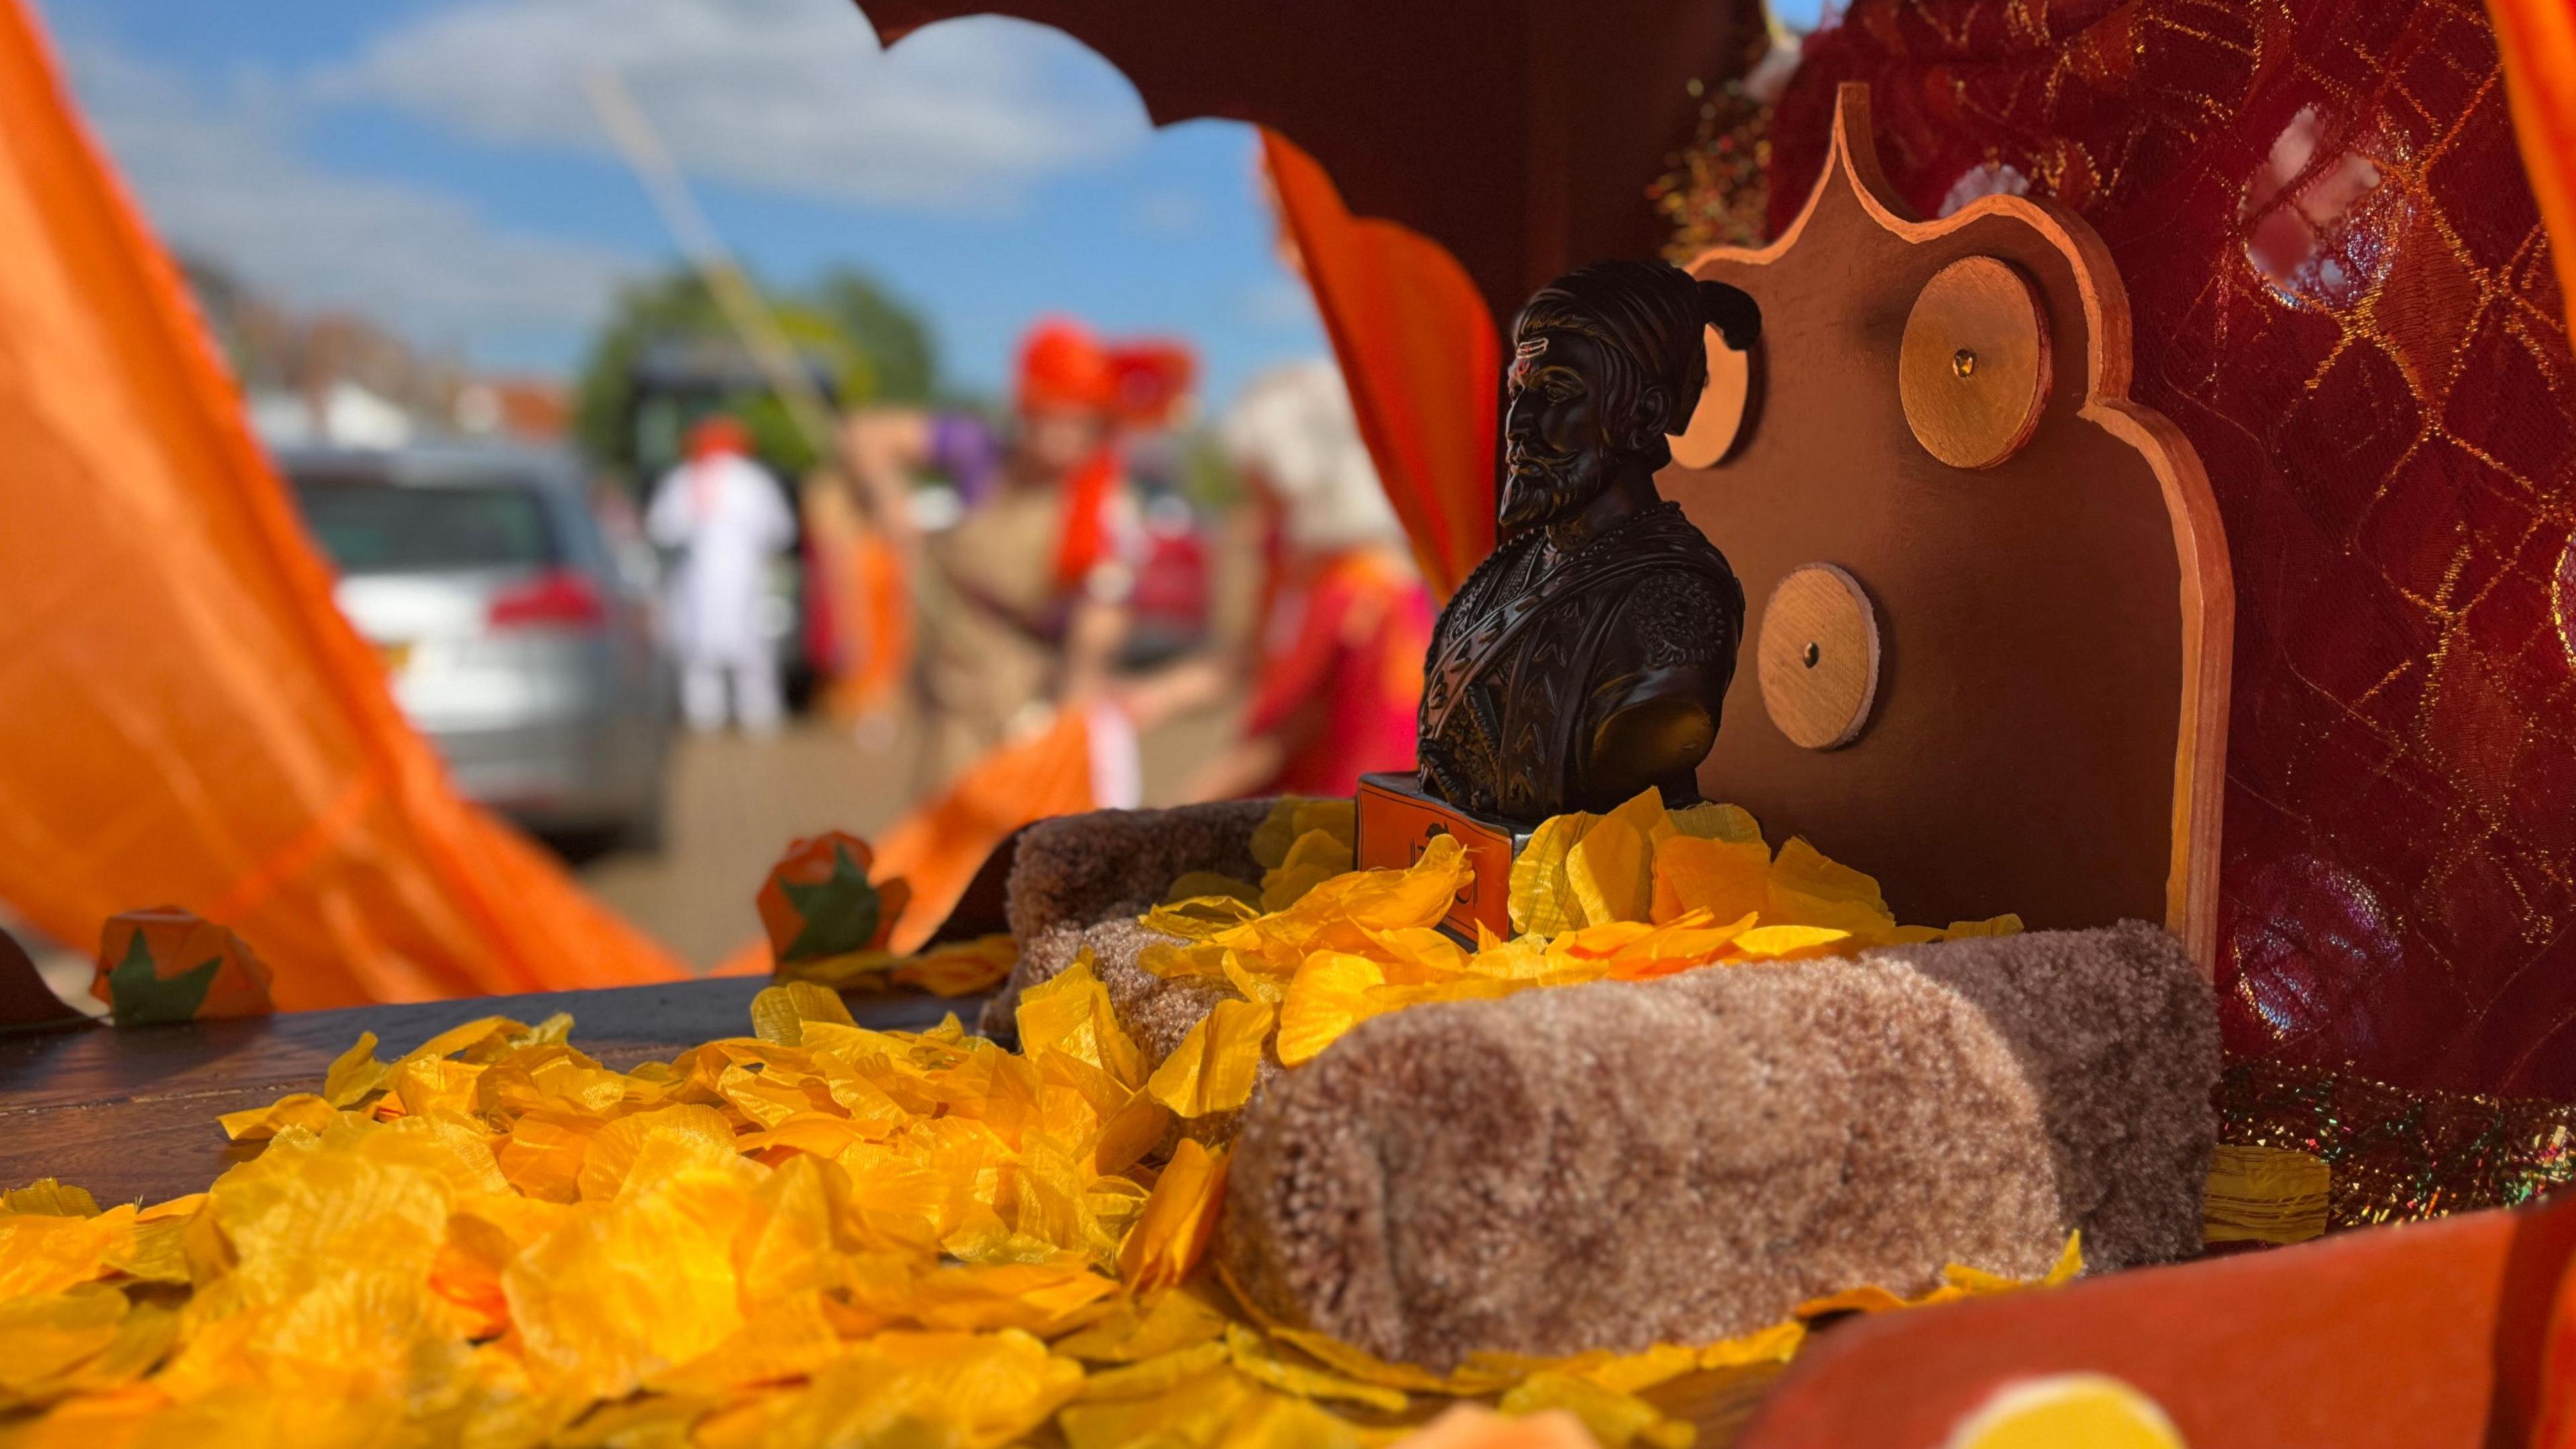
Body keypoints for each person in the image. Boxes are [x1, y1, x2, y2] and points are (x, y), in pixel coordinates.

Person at [845, 319, 1193, 786]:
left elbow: (1099, 626)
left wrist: (1063, 724)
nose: (1064, 436)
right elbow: (865, 434)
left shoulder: (1104, 505)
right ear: (1027, 412)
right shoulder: (980, 454)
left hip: (1036, 689)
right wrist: (887, 497)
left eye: (1080, 424)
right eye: (1053, 418)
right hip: (954, 685)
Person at [1122, 360, 1434, 800]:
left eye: (1263, 483)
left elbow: (1285, 730)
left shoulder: (1361, 589)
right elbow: (1256, 657)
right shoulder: (1297, 560)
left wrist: (1178, 811)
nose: (1252, 501)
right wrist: (1159, 696)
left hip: (1350, 809)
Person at [645, 414, 796, 735]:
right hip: (747, 582)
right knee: (752, 658)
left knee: (702, 660)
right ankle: (760, 723)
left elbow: (661, 529)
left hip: (700, 584)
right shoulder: (755, 481)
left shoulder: (684, 479)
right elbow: (782, 531)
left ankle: (706, 725)